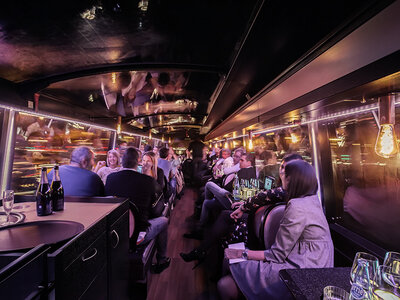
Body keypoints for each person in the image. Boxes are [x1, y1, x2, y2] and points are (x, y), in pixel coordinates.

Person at [219, 160, 334, 300]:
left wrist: (241, 253)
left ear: (290, 179)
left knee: (227, 271)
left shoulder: (296, 206)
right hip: (319, 266)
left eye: (284, 173)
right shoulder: (312, 200)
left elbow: (277, 255)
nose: (281, 177)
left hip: (299, 273)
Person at [104, 147, 170, 274]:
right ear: (138, 161)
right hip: (136, 236)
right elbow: (156, 211)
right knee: (164, 221)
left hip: (113, 233)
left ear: (122, 161)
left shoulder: (110, 178)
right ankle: (162, 260)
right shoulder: (148, 181)